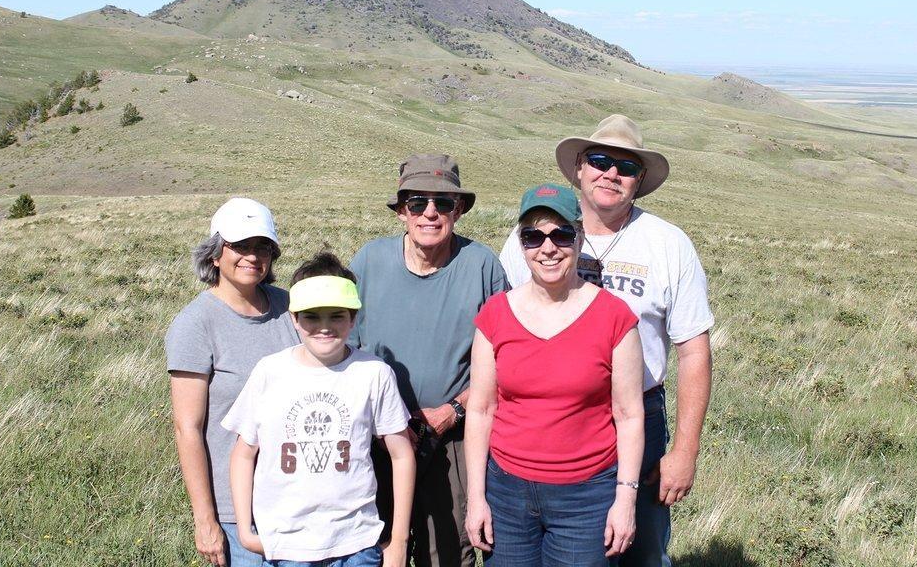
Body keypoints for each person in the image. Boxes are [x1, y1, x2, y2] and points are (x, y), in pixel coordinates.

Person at [499, 116, 714, 567]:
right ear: (579, 167)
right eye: (599, 160)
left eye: (626, 166)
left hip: (640, 414)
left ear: (639, 182)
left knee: (643, 551)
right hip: (556, 419)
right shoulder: (532, 240)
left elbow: (693, 350)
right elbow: (505, 330)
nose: (610, 173)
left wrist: (685, 451)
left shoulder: (668, 244)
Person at [465, 183, 645, 566]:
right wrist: (477, 497)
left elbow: (629, 415)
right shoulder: (495, 315)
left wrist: (625, 499)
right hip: (506, 494)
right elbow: (481, 410)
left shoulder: (615, 317)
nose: (548, 248)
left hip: (586, 498)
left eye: (560, 234)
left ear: (579, 238)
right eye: (533, 236)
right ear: (521, 243)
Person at [349, 153, 509, 567]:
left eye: (444, 203)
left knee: (448, 550)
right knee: (376, 544)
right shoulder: (369, 261)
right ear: (402, 210)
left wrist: (452, 410)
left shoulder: (482, 265)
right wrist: (391, 415)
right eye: (418, 203)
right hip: (379, 435)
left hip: (455, 435)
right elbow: (344, 349)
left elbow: (508, 359)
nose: (430, 213)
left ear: (459, 210)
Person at [224, 253, 417, 567]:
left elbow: (401, 454)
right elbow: (244, 453)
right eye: (312, 316)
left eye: (336, 316)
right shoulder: (269, 372)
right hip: (288, 547)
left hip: (356, 543)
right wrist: (245, 531)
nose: (324, 328)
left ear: (353, 318)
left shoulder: (374, 373)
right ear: (294, 319)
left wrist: (398, 541)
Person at [166, 197, 299, 567]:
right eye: (240, 246)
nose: (252, 257)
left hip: (298, 499)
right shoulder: (196, 324)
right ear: (215, 254)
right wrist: (205, 520)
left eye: (262, 247)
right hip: (237, 513)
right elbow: (187, 428)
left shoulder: (291, 308)